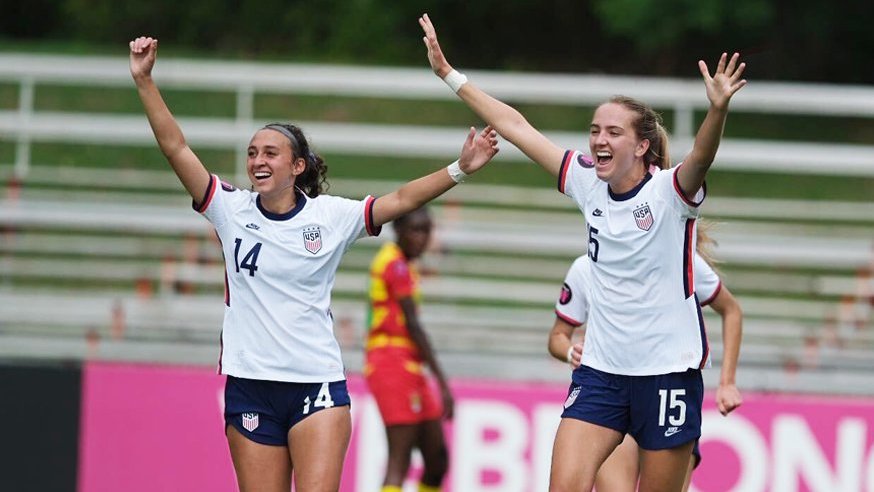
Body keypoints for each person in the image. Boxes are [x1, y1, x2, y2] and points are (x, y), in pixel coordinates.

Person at [129, 36, 498, 492]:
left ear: (297, 165)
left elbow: (400, 199)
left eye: (270, 153)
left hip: (316, 385)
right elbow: (176, 148)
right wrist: (145, 81)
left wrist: (460, 169)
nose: (258, 161)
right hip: (251, 385)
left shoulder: (331, 217)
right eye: (252, 153)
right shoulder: (229, 209)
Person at [419, 13, 746, 492]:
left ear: (641, 146)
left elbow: (700, 157)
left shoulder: (669, 193)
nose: (599, 140)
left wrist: (717, 110)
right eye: (595, 130)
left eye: (613, 132)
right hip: (602, 373)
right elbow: (515, 125)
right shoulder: (587, 181)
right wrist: (450, 76)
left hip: (668, 373)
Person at [548, 223, 744, 492]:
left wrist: (728, 381)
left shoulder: (679, 260)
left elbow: (731, 310)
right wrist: (571, 351)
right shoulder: (586, 268)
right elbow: (558, 336)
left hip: (668, 389)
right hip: (614, 389)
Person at [365, 207, 452, 492]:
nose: (423, 237)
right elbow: (412, 325)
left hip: (409, 363)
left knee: (437, 459)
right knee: (399, 458)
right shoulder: (395, 265)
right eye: (416, 230)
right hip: (390, 360)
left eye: (427, 230)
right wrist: (442, 381)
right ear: (397, 230)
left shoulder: (403, 262)